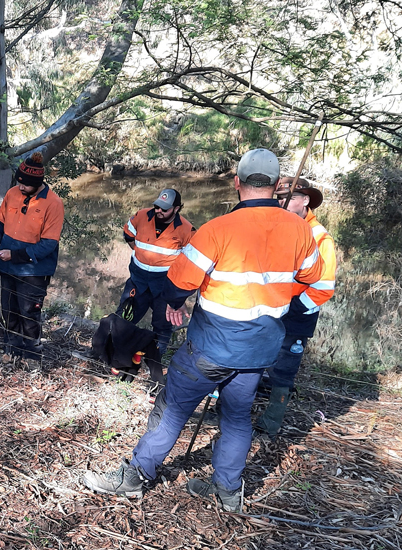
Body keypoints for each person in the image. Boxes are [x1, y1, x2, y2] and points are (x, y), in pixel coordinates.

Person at [81, 148, 324, 511]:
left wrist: (176, 304)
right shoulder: (301, 231)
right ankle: (228, 493)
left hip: (211, 346)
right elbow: (312, 278)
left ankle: (134, 477)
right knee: (238, 418)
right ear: (275, 186)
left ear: (238, 182)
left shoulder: (217, 229)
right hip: (259, 350)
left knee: (172, 408)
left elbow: (179, 282)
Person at [254, 176, 337, 438]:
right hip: (266, 307)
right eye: (278, 198)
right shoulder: (275, 227)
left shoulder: (320, 238)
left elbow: (323, 288)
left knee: (283, 370)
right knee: (250, 359)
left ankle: (270, 424)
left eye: (287, 199)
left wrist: (291, 307)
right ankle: (230, 410)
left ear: (305, 200)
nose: (281, 203)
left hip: (296, 314)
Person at [0, 152, 65, 363]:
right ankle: (11, 350)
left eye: (26, 185)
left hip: (34, 271)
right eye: (19, 182)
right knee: (9, 311)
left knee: (29, 314)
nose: (21, 187)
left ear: (38, 183)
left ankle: (32, 356)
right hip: (8, 266)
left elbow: (49, 244)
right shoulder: (12, 194)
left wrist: (16, 255)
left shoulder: (53, 203)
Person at [116, 188, 196, 355]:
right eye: (157, 206)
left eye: (164, 209)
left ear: (177, 209)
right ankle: (115, 348)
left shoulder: (187, 230)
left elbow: (192, 261)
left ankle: (156, 356)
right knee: (124, 316)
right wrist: (142, 257)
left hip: (165, 287)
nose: (159, 211)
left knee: (162, 324)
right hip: (138, 281)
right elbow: (128, 235)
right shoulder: (142, 216)